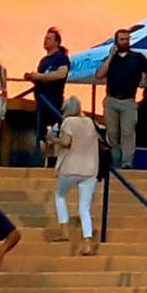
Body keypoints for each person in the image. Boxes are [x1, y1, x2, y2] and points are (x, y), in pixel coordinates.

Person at [94, 28, 147, 169]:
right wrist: (111, 56)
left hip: (129, 100)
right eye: (122, 39)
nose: (125, 42)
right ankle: (116, 158)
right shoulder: (110, 59)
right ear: (116, 41)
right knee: (112, 133)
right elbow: (99, 75)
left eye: (127, 39)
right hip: (111, 99)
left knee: (128, 132)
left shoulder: (137, 57)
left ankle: (127, 162)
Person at [46, 98, 99, 254]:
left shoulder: (68, 122)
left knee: (60, 195)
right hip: (90, 169)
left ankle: (64, 230)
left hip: (71, 168)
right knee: (84, 208)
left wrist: (52, 138)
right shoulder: (89, 122)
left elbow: (66, 142)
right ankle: (87, 242)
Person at [24, 28, 70, 142]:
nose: (46, 41)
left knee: (52, 134)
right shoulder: (43, 61)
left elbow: (61, 74)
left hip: (53, 102)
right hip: (41, 102)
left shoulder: (61, 58)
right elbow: (42, 78)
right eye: (45, 38)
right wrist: (33, 77)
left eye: (49, 39)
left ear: (57, 42)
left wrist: (39, 76)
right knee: (41, 134)